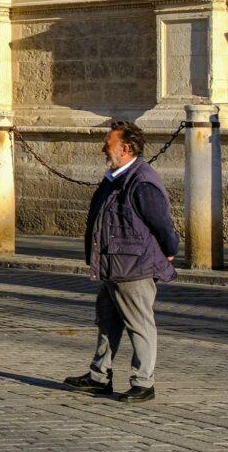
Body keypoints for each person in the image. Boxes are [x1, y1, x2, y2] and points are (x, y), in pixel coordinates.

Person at [63, 120, 179, 404]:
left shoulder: (142, 180)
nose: (104, 147)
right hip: (114, 266)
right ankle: (99, 376)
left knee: (140, 325)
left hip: (134, 267)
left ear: (125, 148)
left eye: (109, 143)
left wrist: (170, 249)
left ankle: (143, 382)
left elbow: (162, 223)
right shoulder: (115, 177)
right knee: (107, 321)